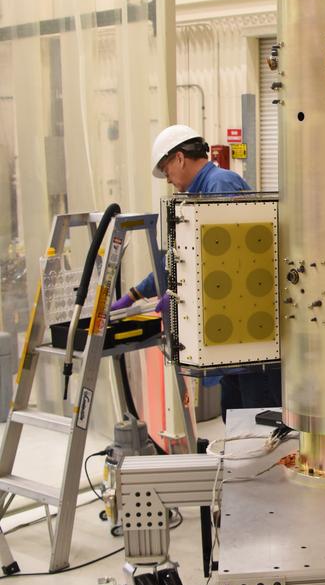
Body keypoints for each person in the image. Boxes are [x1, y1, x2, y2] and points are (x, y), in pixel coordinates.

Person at [112, 124, 282, 419]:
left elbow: (233, 262)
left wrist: (181, 292)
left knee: (260, 424)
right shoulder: (196, 198)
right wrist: (135, 294)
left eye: (166, 171)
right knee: (236, 422)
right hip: (230, 345)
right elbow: (183, 261)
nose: (168, 180)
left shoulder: (221, 185)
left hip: (251, 341)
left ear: (179, 158)